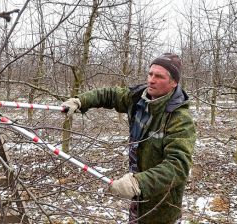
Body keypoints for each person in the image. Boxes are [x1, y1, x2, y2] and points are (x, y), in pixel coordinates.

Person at [61, 53, 196, 224]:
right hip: (137, 198)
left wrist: (138, 182)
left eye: (159, 76)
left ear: (174, 82)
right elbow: (110, 95)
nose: (151, 80)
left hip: (161, 205)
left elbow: (179, 166)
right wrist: (80, 101)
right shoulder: (138, 98)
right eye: (150, 74)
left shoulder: (179, 119)